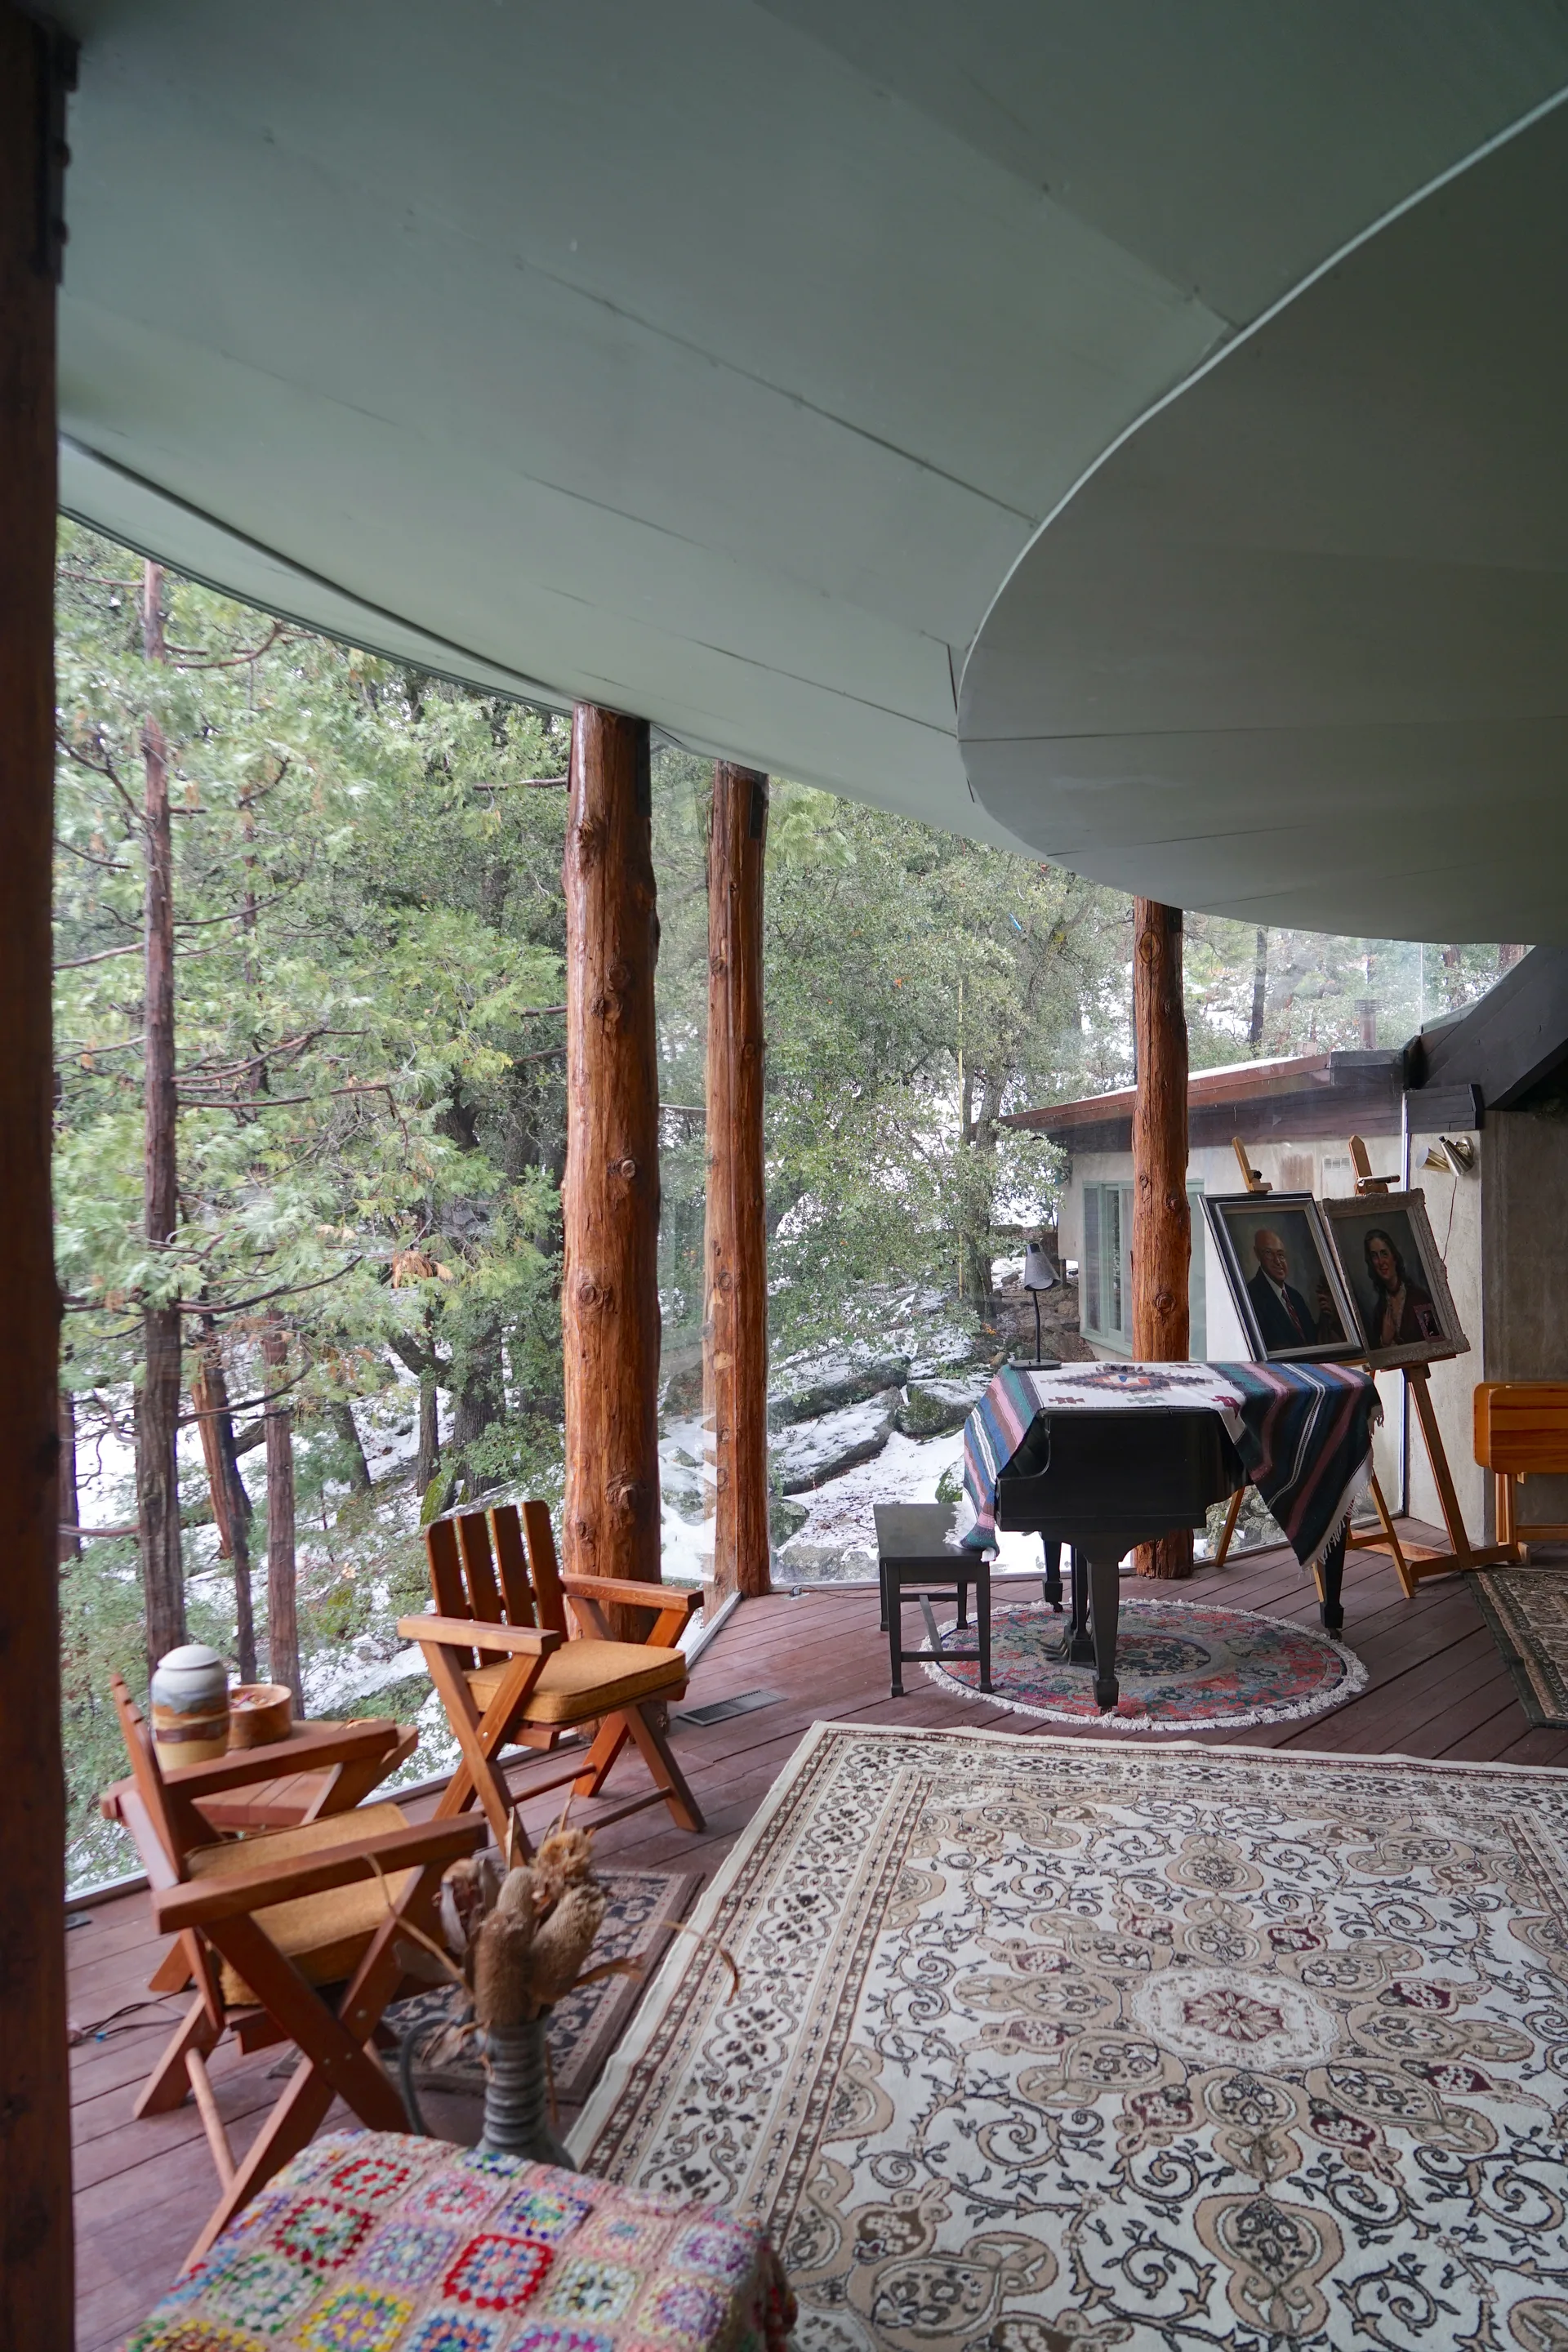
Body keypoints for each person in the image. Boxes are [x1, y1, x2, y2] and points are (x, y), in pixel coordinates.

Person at [1245, 1227, 1320, 1349]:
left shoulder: (1295, 1297)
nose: (1278, 1262)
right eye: (1268, 1253)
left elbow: (1313, 1340)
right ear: (1257, 1254)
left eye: (1281, 1255)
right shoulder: (1251, 1297)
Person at [1364, 1227, 1440, 1348]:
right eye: (1374, 1256)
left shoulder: (1419, 1298)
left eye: (1384, 1254)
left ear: (1394, 1257)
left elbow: (1435, 1341)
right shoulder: (1379, 1310)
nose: (1380, 1261)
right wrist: (1385, 1342)